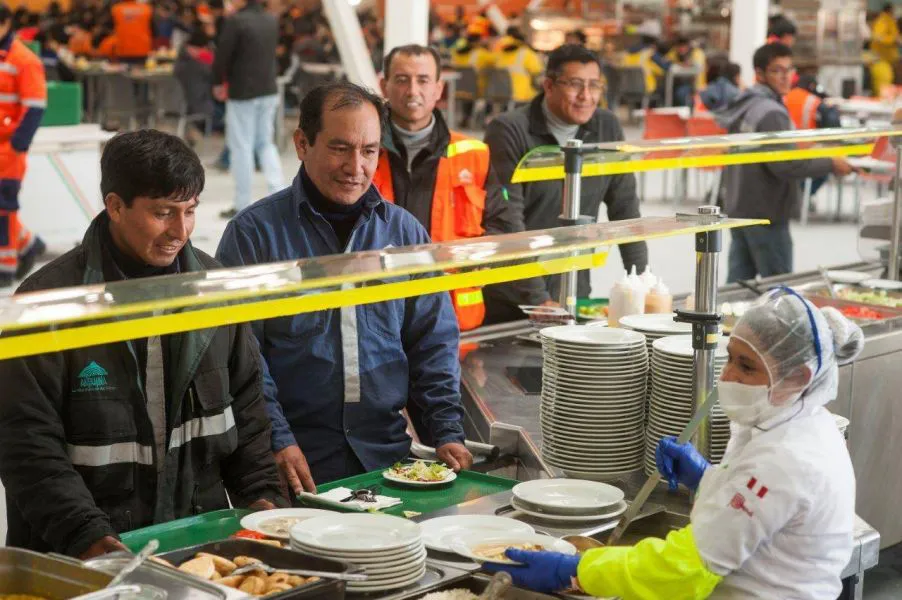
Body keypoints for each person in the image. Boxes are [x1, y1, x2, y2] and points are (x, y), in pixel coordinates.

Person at [0, 130, 284, 558]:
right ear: (115, 206)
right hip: (86, 556)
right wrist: (91, 541)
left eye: (190, 211)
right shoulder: (49, 304)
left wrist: (264, 504)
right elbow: (27, 447)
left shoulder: (212, 292)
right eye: (163, 213)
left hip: (194, 545)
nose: (181, 230)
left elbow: (248, 415)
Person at [486, 288, 863, 599]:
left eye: (746, 367)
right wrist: (707, 480)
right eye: (729, 358)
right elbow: (757, 515)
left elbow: (687, 570)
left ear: (799, 377)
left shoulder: (787, 456)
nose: (727, 375)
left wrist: (575, 570)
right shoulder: (793, 420)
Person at [216, 82, 473, 493]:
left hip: (387, 458)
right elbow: (242, 357)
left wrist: (445, 430)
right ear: (302, 144)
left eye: (369, 150)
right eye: (340, 148)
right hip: (293, 464)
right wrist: (277, 439)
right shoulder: (254, 235)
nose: (356, 166)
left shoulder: (403, 232)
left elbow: (432, 341)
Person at [483, 43, 648, 323]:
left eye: (594, 85)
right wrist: (537, 299)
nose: (586, 96)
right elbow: (507, 223)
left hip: (574, 289)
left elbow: (626, 210)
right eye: (575, 85)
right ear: (548, 85)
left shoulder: (606, 127)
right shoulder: (509, 130)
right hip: (513, 299)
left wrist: (644, 284)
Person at [374, 44, 511, 333]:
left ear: (438, 89)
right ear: (383, 85)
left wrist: (482, 260)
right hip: (376, 315)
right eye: (401, 79)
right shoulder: (363, 152)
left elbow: (502, 224)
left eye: (423, 80)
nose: (413, 90)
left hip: (452, 319)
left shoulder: (474, 155)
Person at [713, 43, 853, 282]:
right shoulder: (772, 112)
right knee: (779, 289)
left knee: (737, 288)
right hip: (767, 213)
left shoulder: (746, 103)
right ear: (759, 73)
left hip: (741, 207)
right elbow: (785, 166)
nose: (786, 76)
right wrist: (831, 163)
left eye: (789, 70)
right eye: (777, 70)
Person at [212, 0, 284, 219]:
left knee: (241, 146)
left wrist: (217, 82)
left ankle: (242, 203)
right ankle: (280, 193)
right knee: (265, 143)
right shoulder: (271, 20)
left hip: (243, 90)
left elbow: (223, 55)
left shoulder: (236, 21)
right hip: (269, 89)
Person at [0, 5, 47, 289]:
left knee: (4, 207)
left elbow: (35, 108)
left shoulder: (24, 60)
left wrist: (17, 147)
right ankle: (29, 243)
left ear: (6, 23)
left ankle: (5, 266)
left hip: (9, 148)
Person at [450, 26, 494, 128]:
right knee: (490, 91)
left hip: (458, 89)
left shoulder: (457, 53)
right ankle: (485, 119)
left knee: (468, 94)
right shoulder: (482, 53)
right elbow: (497, 64)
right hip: (477, 89)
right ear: (479, 42)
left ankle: (466, 117)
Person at [491, 27, 543, 104]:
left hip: (498, 94)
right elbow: (538, 73)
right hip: (521, 96)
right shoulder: (527, 54)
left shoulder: (498, 55)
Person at [665, 36, 706, 106]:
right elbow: (666, 61)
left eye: (684, 46)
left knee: (681, 92)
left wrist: (686, 64)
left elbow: (697, 67)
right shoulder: (674, 52)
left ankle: (686, 114)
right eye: (679, 46)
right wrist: (681, 64)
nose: (681, 49)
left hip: (696, 85)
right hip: (677, 82)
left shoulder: (697, 52)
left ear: (688, 46)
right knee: (665, 90)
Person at [869, 3, 899, 98]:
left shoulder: (889, 21)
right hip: (880, 60)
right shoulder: (884, 21)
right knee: (883, 87)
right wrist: (893, 40)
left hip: (886, 60)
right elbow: (878, 37)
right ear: (890, 10)